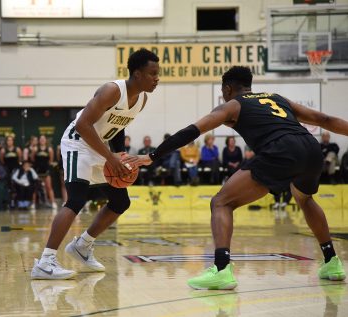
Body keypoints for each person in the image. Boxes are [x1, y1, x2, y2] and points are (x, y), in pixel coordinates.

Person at [125, 66, 347, 289]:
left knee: (221, 202)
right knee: (305, 199)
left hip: (281, 150)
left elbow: (193, 131)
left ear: (228, 89)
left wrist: (153, 156)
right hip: (311, 149)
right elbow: (325, 119)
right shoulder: (277, 98)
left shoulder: (232, 105)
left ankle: (222, 269)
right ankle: (332, 262)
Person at [31, 48, 159, 280]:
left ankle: (82, 245)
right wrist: (111, 158)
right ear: (138, 74)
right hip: (78, 142)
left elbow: (119, 127)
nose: (157, 78)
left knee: (121, 201)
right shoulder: (112, 90)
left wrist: (120, 156)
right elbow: (83, 125)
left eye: (158, 74)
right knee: (76, 199)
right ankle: (45, 261)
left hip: (100, 146)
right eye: (152, 74)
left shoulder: (142, 99)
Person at [32, 135, 58, 210]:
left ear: (46, 140)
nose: (42, 140)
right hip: (37, 171)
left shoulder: (49, 149)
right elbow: (33, 159)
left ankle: (53, 203)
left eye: (44, 139)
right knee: (35, 188)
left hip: (46, 171)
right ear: (39, 140)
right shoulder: (35, 149)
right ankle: (33, 203)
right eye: (41, 139)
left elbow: (50, 161)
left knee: (49, 187)